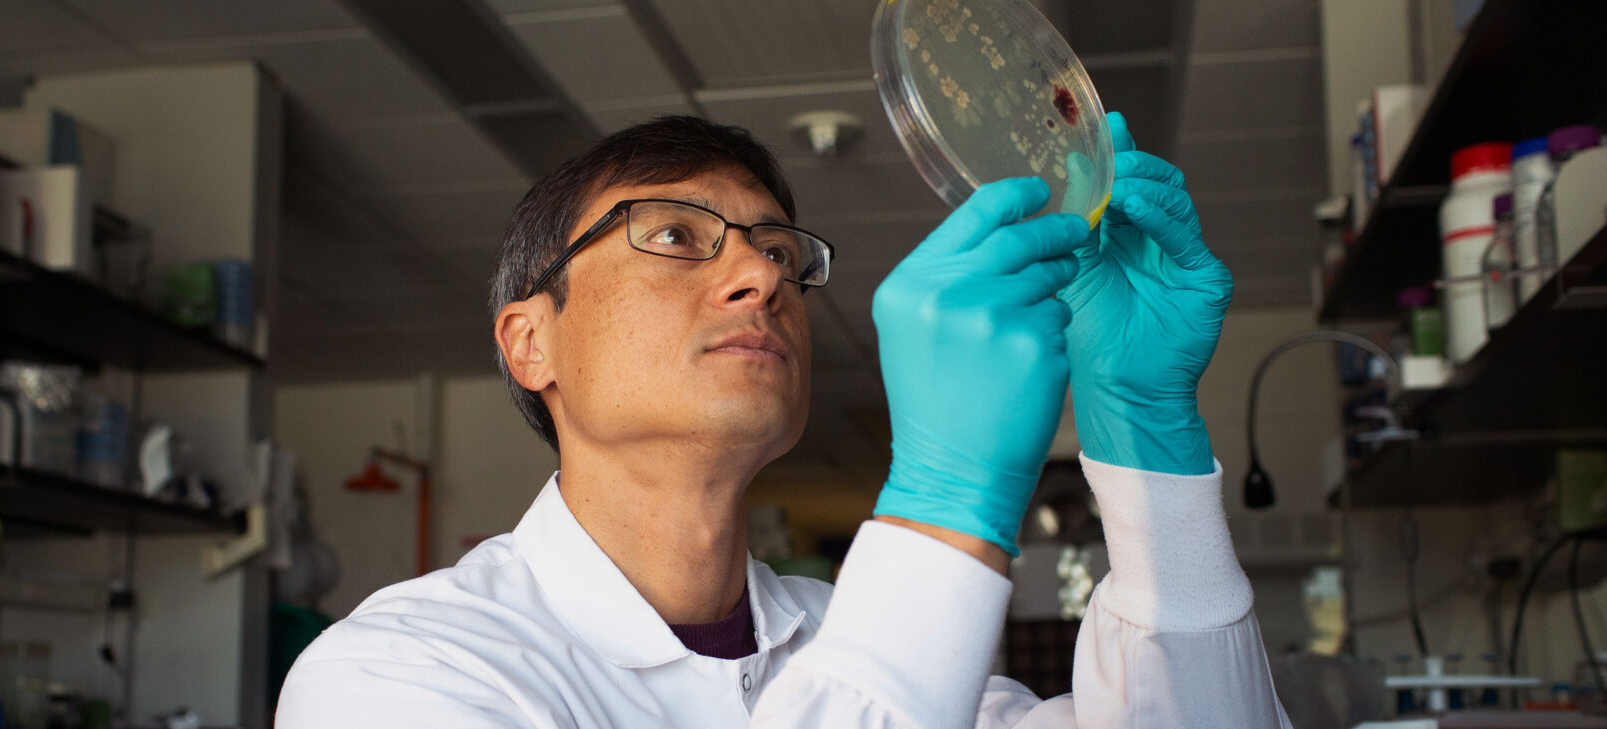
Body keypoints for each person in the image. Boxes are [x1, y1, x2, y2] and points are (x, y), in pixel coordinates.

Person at [276, 114, 1293, 728]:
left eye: (781, 252)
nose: (760, 273)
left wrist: (1142, 423)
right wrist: (942, 501)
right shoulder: (400, 672)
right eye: (675, 234)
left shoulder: (855, 644)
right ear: (528, 343)